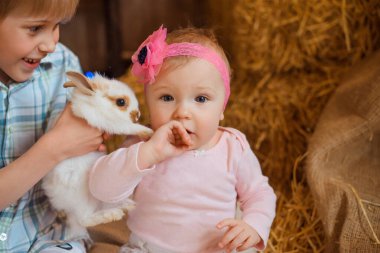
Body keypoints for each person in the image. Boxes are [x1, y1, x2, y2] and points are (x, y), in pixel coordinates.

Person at [89, 26, 276, 253]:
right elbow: (100, 190)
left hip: (216, 248)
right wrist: (148, 155)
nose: (182, 112)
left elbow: (259, 193)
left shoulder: (232, 148)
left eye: (201, 98)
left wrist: (254, 226)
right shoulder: (142, 146)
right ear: (148, 103)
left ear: (221, 108)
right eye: (167, 97)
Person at [0, 0, 105, 252]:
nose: (50, 44)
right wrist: (55, 148)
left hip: (48, 236)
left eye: (56, 25)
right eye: (35, 28)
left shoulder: (64, 65)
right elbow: (60, 147)